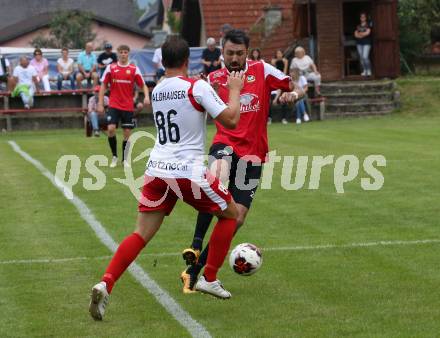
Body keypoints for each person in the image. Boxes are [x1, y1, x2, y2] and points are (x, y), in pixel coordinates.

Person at [89, 36, 245, 320]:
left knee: (140, 233)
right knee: (230, 214)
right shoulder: (196, 86)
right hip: (186, 170)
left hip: (157, 169)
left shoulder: (159, 88)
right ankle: (208, 277)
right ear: (188, 60)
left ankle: (106, 282)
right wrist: (234, 90)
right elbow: (231, 120)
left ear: (163, 60)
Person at [180, 29, 300, 293]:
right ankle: (196, 243)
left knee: (237, 217)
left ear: (248, 51)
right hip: (225, 144)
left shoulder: (263, 70)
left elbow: (295, 87)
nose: (234, 58)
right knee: (217, 178)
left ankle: (198, 270)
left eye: (239, 53)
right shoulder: (214, 78)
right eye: (229, 53)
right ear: (221, 52)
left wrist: (293, 95)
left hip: (254, 153)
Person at [98, 45, 150, 168]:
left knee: (127, 133)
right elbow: (103, 86)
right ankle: (115, 156)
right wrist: (100, 103)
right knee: (111, 129)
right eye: (121, 52)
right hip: (114, 104)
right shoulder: (111, 68)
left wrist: (147, 96)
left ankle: (125, 159)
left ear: (128, 54)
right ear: (118, 54)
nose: (123, 54)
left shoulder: (133, 69)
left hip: (127, 106)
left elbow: (143, 85)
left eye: (125, 52)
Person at [270, 50, 289, 124]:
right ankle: (269, 118)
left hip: (282, 78)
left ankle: (284, 118)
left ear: (282, 54)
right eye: (277, 53)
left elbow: (285, 71)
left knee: (284, 99)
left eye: (280, 53)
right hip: (275, 78)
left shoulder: (285, 60)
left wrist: (281, 78)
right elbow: (273, 69)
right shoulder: (273, 61)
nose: (279, 55)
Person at [355, 12, 372, 77]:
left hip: (367, 43)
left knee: (365, 57)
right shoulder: (358, 26)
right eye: (361, 17)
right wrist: (362, 34)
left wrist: (360, 34)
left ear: (365, 18)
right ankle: (364, 71)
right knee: (361, 58)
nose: (362, 18)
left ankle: (369, 70)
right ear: (360, 18)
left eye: (364, 17)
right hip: (359, 44)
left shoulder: (368, 25)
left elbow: (368, 33)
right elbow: (356, 35)